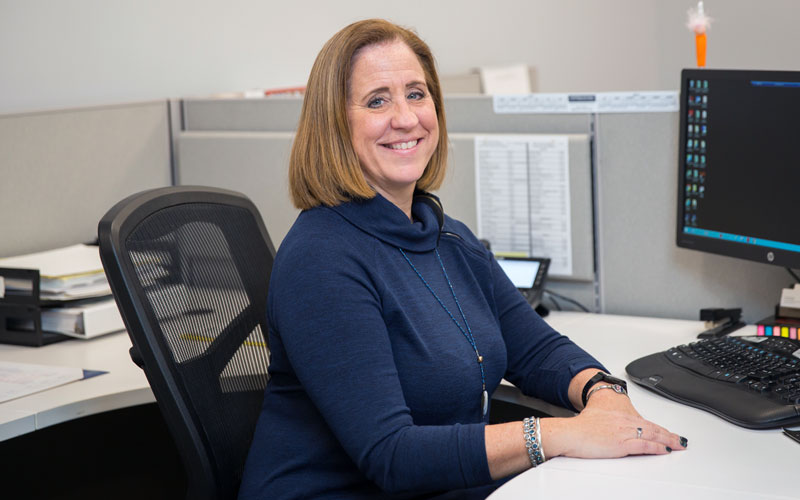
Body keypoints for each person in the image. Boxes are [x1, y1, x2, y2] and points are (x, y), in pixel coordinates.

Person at [239, 18, 687, 500]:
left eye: (416, 94)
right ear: (334, 124)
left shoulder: (445, 236)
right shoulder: (322, 259)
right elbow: (392, 456)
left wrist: (602, 393)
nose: (406, 118)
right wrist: (561, 434)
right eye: (377, 101)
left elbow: (536, 350)